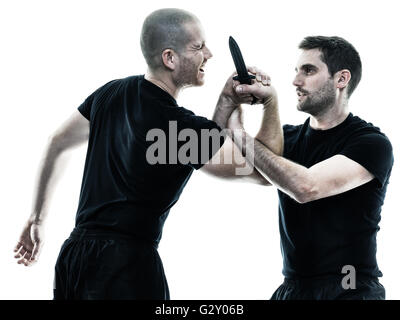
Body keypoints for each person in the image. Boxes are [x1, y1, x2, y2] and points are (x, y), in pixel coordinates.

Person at [13, 8, 281, 299]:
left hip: (75, 257)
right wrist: (271, 103)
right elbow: (264, 172)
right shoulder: (180, 129)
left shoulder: (110, 94)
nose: (210, 53)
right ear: (169, 58)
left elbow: (57, 142)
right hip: (125, 269)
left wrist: (36, 218)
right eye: (199, 46)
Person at [216, 36, 394, 300]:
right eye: (296, 71)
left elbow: (305, 186)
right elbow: (216, 159)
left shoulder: (371, 143)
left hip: (350, 287)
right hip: (294, 288)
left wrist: (243, 133)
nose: (296, 81)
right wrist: (229, 101)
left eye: (308, 70)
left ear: (341, 79)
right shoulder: (286, 140)